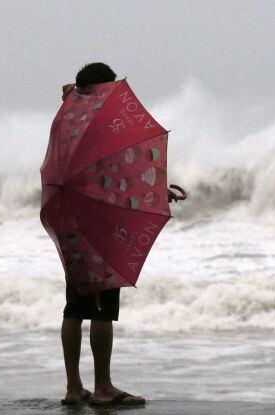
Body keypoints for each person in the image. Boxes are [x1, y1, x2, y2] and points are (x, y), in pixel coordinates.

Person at [59, 63, 185, 407]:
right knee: (101, 310)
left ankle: (73, 388)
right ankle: (102, 389)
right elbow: (123, 173)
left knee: (73, 307)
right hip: (100, 226)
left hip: (70, 219)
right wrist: (157, 191)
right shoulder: (102, 124)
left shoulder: (69, 119)